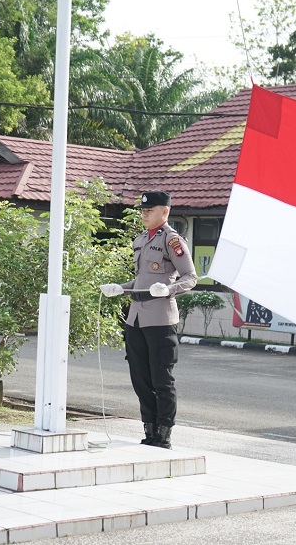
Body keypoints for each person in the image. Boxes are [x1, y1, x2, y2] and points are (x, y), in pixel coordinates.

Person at [100, 191, 197, 449]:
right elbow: (141, 281)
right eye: (143, 210)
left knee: (161, 380)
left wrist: (169, 289)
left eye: (150, 210)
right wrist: (120, 287)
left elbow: (190, 276)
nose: (144, 214)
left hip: (160, 319)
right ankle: (149, 429)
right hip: (136, 319)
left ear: (164, 212)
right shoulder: (141, 239)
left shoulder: (172, 240)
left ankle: (163, 433)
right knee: (140, 379)